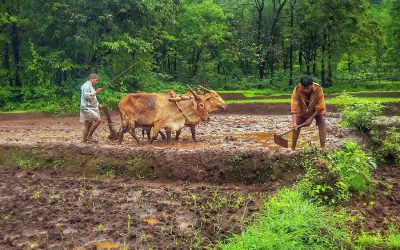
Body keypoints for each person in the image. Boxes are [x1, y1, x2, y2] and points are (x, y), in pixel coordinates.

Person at [290, 74, 326, 150]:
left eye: (308, 88)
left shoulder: (318, 89)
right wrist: (294, 123)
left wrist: (311, 118)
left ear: (312, 85)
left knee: (322, 124)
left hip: (317, 111)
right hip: (303, 110)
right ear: (301, 85)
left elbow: (320, 106)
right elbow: (294, 108)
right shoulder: (297, 90)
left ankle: (323, 148)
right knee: (296, 127)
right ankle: (292, 148)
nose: (306, 90)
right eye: (304, 88)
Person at [80, 73, 103, 143]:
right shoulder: (87, 86)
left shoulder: (89, 86)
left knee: (87, 125)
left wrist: (98, 104)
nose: (97, 82)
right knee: (98, 120)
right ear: (92, 79)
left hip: (87, 107)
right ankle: (89, 136)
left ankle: (84, 141)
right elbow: (87, 96)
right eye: (96, 80)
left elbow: (93, 98)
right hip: (87, 108)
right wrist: (96, 92)